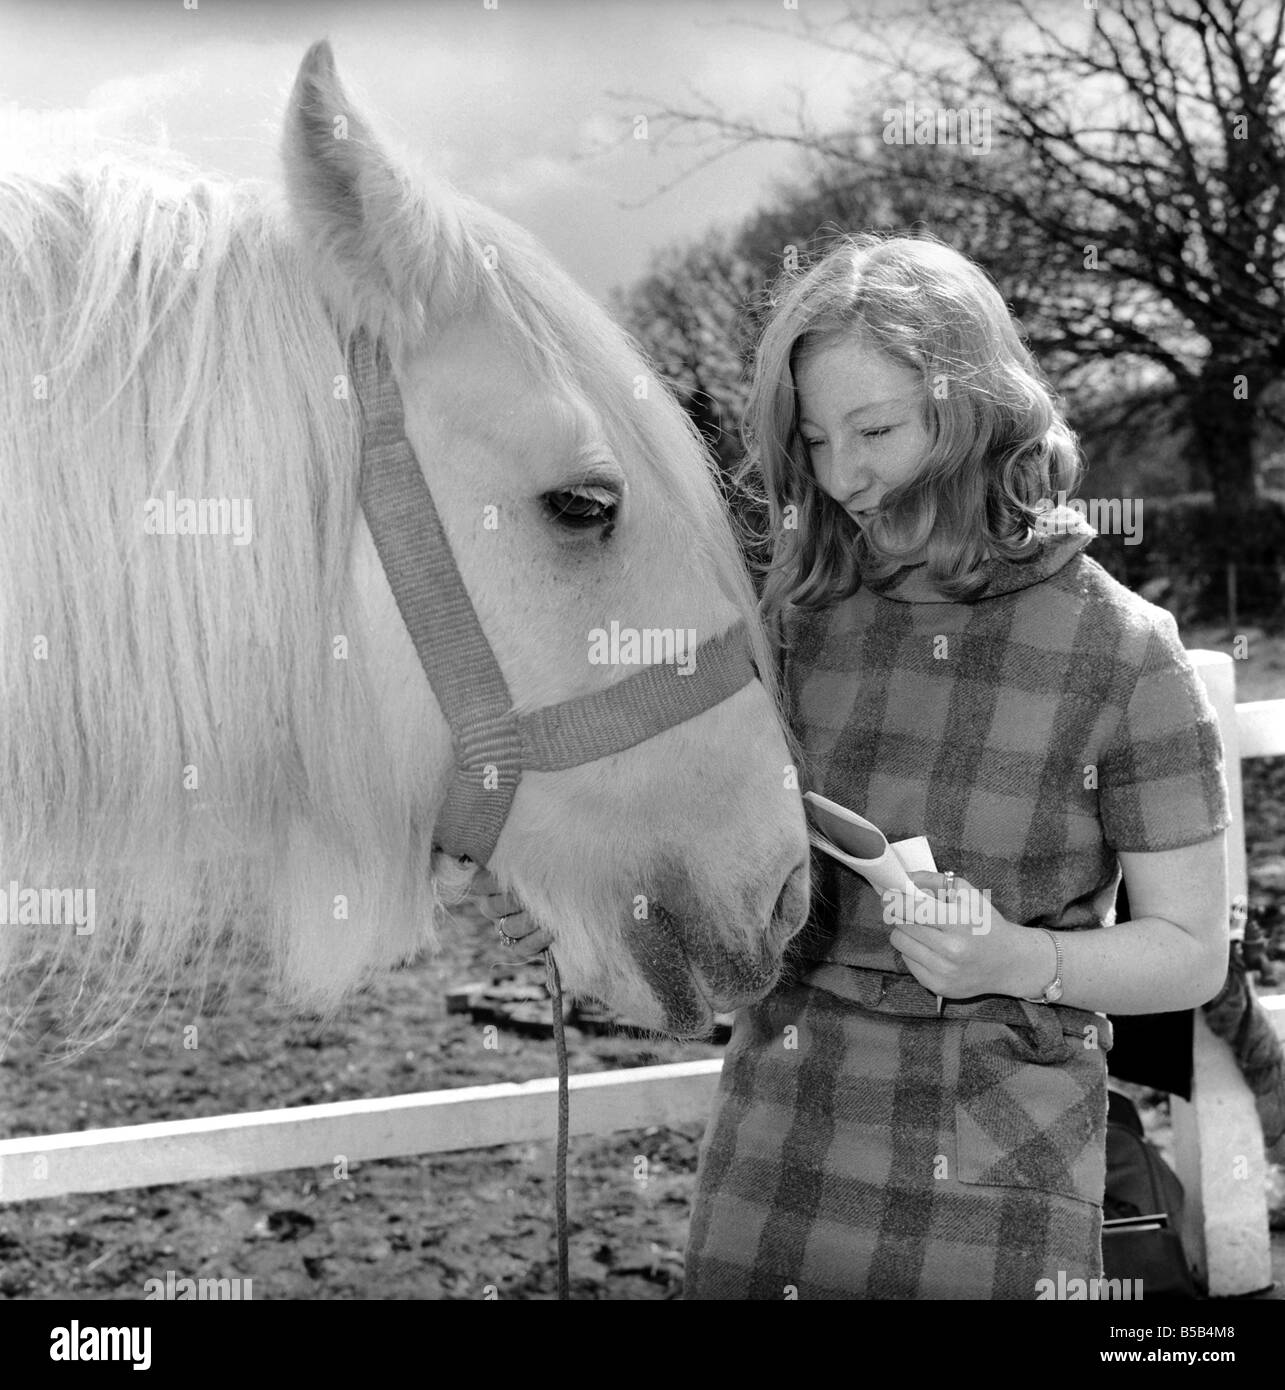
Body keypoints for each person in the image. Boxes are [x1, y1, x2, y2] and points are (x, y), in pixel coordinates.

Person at [473, 232, 1231, 1300]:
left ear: (976, 408)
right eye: (818, 438)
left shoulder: (1125, 651)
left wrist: (1018, 959)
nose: (842, 475)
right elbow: (698, 887)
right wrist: (570, 912)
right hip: (778, 1134)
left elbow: (1191, 953)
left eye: (874, 428)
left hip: (997, 1159)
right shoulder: (783, 623)